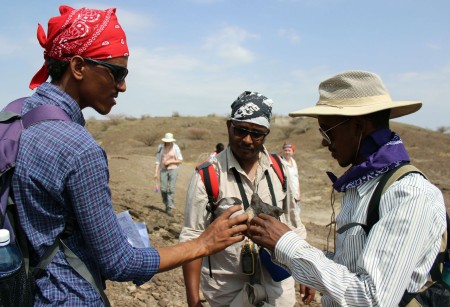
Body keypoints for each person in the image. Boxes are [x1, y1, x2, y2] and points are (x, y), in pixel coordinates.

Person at [11, 6, 248, 305]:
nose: (122, 86)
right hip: (67, 295)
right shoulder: (78, 148)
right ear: (78, 66)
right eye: (117, 73)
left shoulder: (19, 116)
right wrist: (203, 243)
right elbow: (119, 263)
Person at [247, 70, 447, 306]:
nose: (324, 141)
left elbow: (371, 298)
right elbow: (347, 269)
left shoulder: (409, 195)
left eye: (327, 131)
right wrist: (278, 245)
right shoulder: (362, 187)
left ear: (359, 126)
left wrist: (288, 245)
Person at [180, 91, 313, 307]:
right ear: (229, 126)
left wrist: (307, 270)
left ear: (266, 134)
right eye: (240, 131)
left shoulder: (279, 169)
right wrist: (193, 301)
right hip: (227, 291)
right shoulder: (207, 176)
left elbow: (293, 224)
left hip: (277, 290)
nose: (248, 140)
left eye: (257, 134)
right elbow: (191, 240)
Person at [154, 132, 183, 216]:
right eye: (167, 141)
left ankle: (170, 207)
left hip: (173, 169)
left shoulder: (175, 147)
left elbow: (180, 160)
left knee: (171, 188)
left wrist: (170, 161)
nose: (167, 142)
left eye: (169, 141)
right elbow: (157, 160)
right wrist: (155, 172)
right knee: (163, 189)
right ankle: (166, 203)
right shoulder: (160, 147)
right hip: (163, 170)